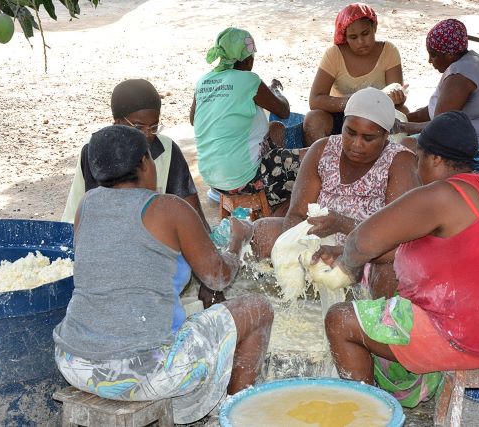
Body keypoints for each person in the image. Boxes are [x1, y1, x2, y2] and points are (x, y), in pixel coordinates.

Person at [53, 125, 273, 424]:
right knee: (258, 309)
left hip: (75, 361)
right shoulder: (168, 208)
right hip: (143, 371)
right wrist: (237, 238)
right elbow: (218, 277)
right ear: (145, 163)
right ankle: (231, 414)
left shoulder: (86, 205)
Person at [317, 112, 479, 407]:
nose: (416, 171)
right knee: (382, 282)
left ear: (433, 159)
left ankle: (369, 412)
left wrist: (346, 265)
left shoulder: (442, 195)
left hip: (464, 338)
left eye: (418, 160)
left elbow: (363, 240)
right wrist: (344, 253)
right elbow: (406, 250)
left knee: (340, 320)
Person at [253, 87, 418, 299]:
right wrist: (302, 251)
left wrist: (342, 225)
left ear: (386, 136)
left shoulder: (400, 161)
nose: (356, 144)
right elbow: (296, 214)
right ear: (344, 125)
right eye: (350, 132)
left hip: (368, 250)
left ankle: (367, 310)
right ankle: (305, 286)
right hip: (316, 239)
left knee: (390, 271)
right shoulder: (322, 150)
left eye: (369, 138)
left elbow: (396, 236)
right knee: (261, 232)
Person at [62, 79, 209, 231]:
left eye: (154, 126)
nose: (147, 135)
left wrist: (208, 241)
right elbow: (99, 213)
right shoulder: (96, 149)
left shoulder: (167, 149)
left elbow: (191, 209)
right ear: (117, 123)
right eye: (138, 127)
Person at [191, 27, 303, 213]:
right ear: (249, 58)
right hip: (244, 178)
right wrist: (275, 89)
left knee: (275, 128)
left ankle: (269, 199)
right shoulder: (249, 80)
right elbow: (283, 110)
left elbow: (193, 119)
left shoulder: (204, 81)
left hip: (212, 178)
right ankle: (279, 210)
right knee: (309, 161)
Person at [398, 19, 479, 173]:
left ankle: (429, 195)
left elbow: (439, 127)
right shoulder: (472, 61)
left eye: (433, 55)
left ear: (449, 54)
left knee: (406, 148)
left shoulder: (459, 78)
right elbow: (435, 110)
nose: (430, 61)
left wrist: (402, 127)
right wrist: (407, 117)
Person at [303, 2, 407, 146]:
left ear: (374, 28)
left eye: (365, 33)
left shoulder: (389, 51)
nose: (361, 41)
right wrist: (362, 100)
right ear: (345, 37)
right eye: (353, 37)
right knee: (313, 119)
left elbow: (398, 101)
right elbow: (315, 101)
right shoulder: (334, 54)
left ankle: (387, 163)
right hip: (342, 115)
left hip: (377, 117)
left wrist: (397, 94)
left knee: (403, 112)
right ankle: (321, 163)